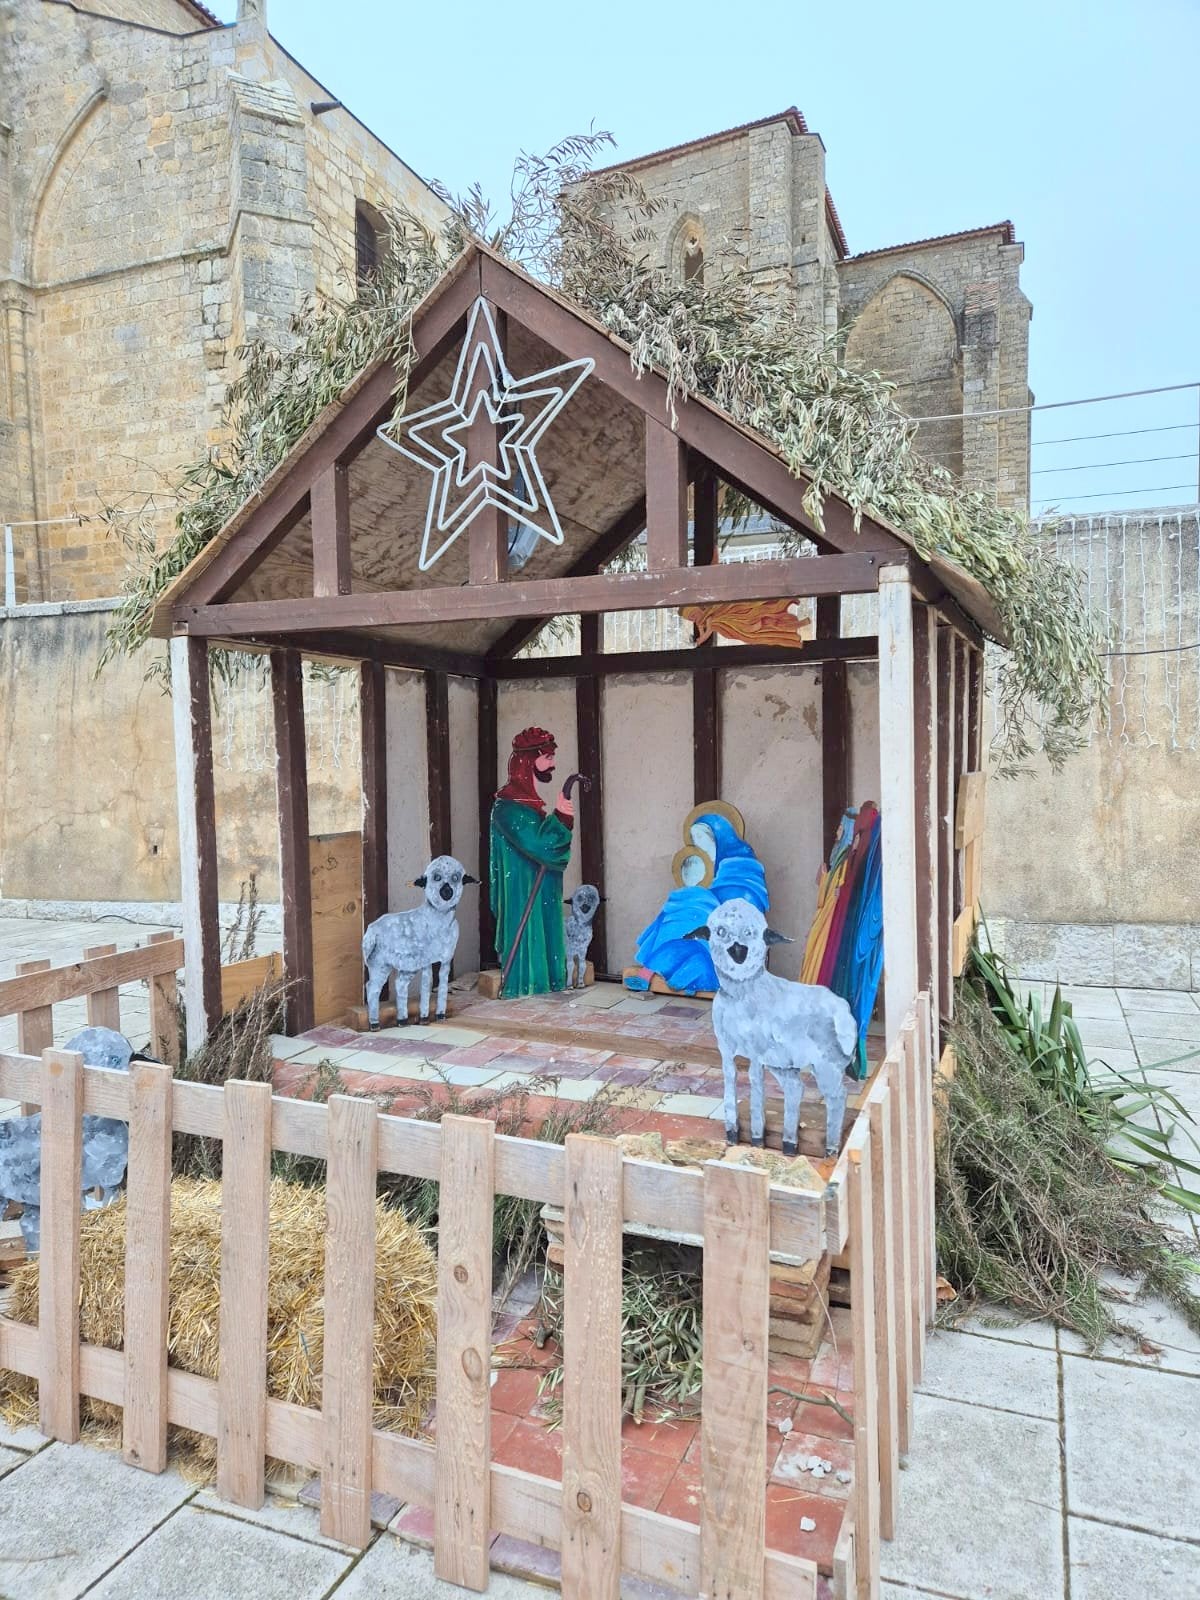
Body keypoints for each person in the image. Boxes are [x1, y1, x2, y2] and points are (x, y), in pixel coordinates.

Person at [633, 811, 769, 994]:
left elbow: (746, 905)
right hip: (697, 916)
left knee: (693, 922)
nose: (698, 842)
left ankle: (677, 974)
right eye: (694, 837)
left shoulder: (741, 866)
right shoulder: (698, 863)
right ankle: (651, 972)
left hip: (725, 931)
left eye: (702, 836)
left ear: (719, 836)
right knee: (677, 909)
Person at [490, 726, 575, 997]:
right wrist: (560, 817)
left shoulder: (528, 806)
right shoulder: (507, 808)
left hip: (541, 889)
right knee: (528, 936)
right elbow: (541, 845)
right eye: (547, 757)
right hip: (521, 890)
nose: (553, 763)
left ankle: (547, 982)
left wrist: (560, 819)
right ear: (529, 761)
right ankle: (524, 983)